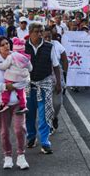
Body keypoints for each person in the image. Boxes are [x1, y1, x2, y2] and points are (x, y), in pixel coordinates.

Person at [0, 37, 29, 170]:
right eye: (2, 45)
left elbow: (26, 75)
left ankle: (21, 156)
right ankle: (7, 156)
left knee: (19, 129)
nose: (6, 46)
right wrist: (7, 87)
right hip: (1, 102)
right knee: (4, 132)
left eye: (7, 43)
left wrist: (21, 83)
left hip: (18, 101)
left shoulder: (17, 57)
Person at [25, 22, 62, 154]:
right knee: (29, 114)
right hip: (28, 86)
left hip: (45, 84)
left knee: (44, 115)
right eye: (37, 31)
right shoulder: (23, 47)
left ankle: (45, 142)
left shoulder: (49, 47)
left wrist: (58, 82)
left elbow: (56, 66)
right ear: (30, 32)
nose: (40, 34)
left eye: (41, 31)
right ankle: (31, 137)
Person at [42, 27, 68, 134]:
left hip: (57, 75)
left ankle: (55, 117)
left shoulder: (56, 44)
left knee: (57, 104)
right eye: (45, 36)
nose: (48, 38)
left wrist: (64, 73)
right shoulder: (40, 46)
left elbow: (64, 59)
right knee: (46, 104)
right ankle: (49, 125)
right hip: (44, 78)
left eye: (49, 36)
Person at [0, 37, 32, 114]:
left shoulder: (11, 56)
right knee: (21, 92)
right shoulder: (26, 58)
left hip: (11, 78)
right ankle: (23, 106)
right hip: (21, 79)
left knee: (6, 90)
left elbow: (4, 66)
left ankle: (4, 103)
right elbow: (30, 68)